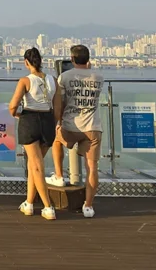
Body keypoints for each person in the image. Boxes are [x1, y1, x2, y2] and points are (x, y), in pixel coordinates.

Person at [46, 44, 103, 218]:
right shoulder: (98, 77)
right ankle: (88, 206)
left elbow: (60, 102)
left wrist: (59, 120)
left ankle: (59, 175)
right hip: (93, 127)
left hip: (71, 125)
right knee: (92, 168)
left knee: (56, 140)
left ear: (72, 59)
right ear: (88, 59)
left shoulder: (64, 77)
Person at [9, 47, 56, 220]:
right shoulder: (53, 80)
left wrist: (16, 114)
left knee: (36, 167)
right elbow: (57, 107)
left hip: (30, 121)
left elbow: (13, 105)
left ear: (26, 62)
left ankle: (47, 206)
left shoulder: (25, 81)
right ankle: (29, 203)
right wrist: (54, 124)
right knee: (33, 166)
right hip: (48, 122)